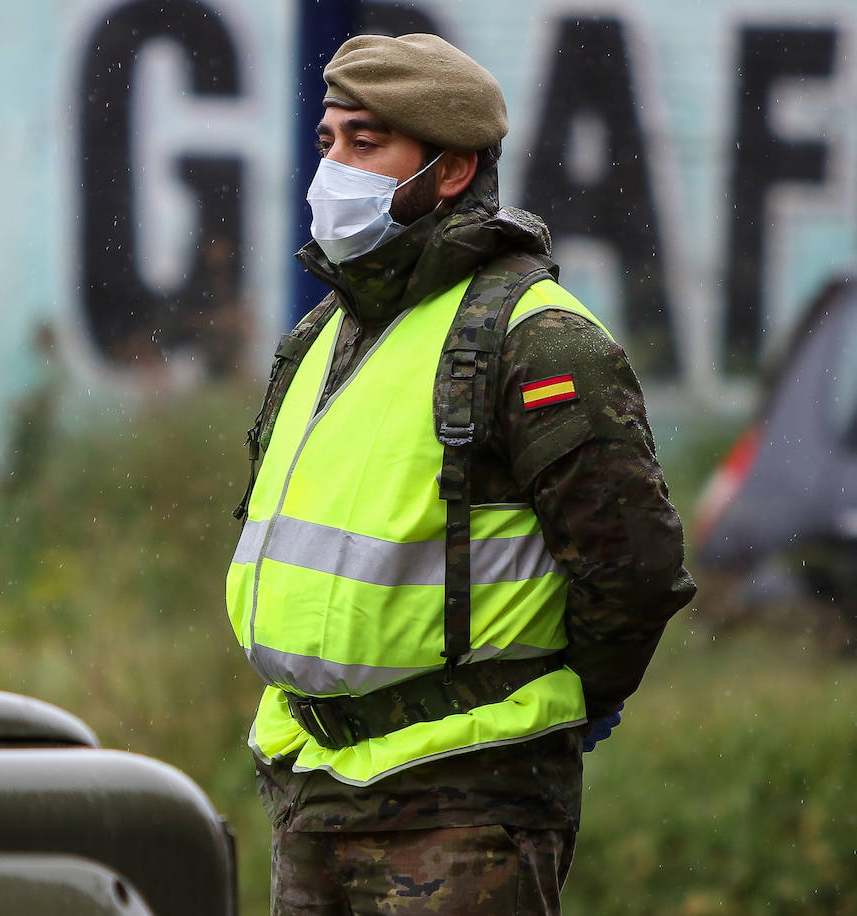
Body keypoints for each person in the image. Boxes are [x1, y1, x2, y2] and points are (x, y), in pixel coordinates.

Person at [224, 33, 696, 914]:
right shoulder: (326, 329)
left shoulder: (539, 340)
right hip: (312, 782)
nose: (334, 169)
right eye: (328, 141)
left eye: (367, 146)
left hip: (463, 805)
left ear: (450, 172)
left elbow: (632, 571)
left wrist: (550, 703)